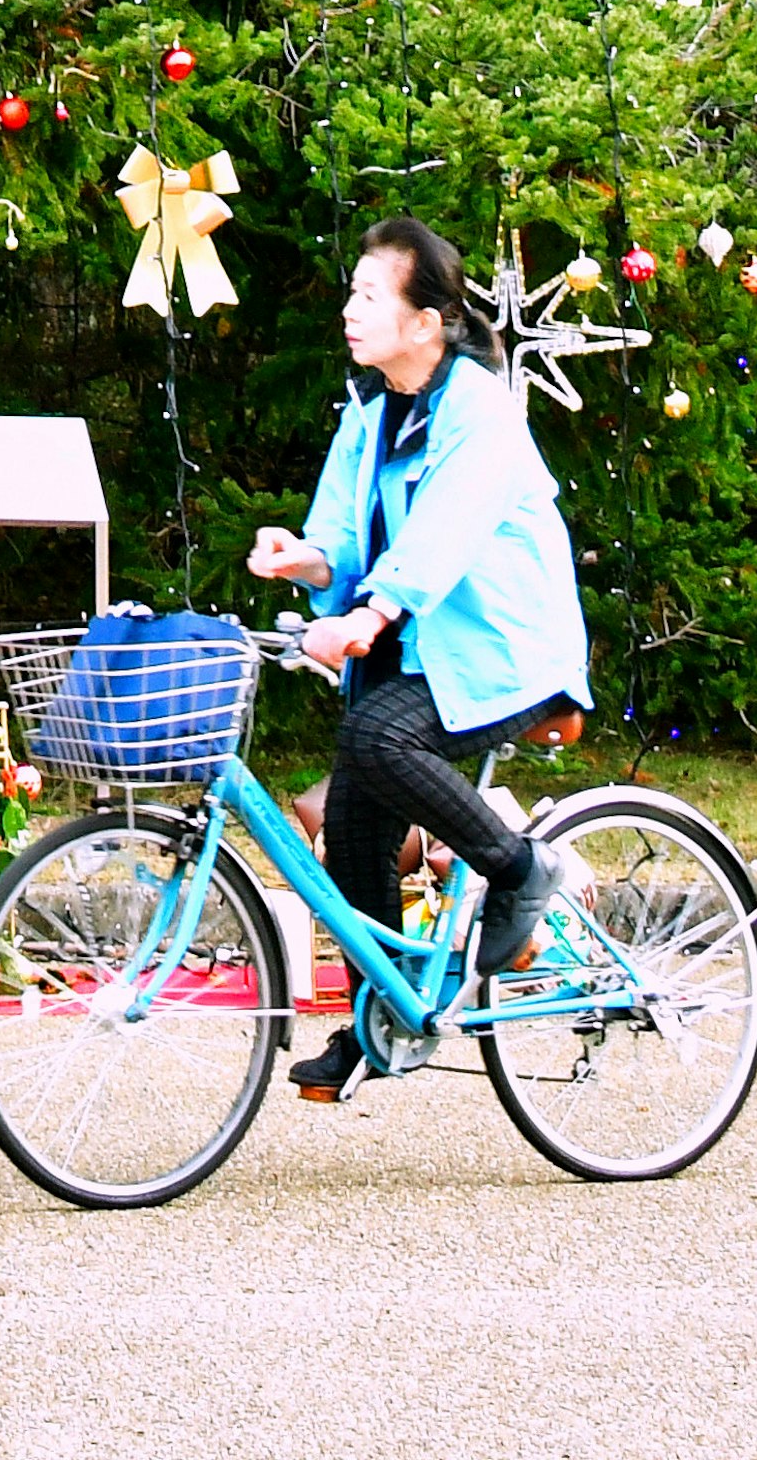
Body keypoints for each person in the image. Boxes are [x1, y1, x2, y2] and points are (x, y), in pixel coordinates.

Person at [247, 216, 590, 1106]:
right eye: (352, 294)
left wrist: (374, 612)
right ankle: (380, 1017)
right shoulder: (369, 418)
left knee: (377, 741)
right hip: (417, 653)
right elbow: (336, 542)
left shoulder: (480, 410)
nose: (351, 312)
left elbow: (444, 534)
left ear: (425, 322)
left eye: (371, 296)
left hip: (505, 649)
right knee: (356, 824)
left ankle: (520, 868)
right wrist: (304, 561)